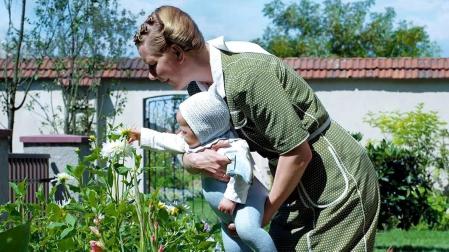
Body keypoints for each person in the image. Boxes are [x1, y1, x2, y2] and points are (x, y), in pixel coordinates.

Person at [132, 5, 380, 251]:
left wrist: (261, 217)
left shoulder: (247, 75)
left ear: (177, 52)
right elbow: (196, 144)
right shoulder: (198, 90)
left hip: (333, 176)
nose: (151, 75)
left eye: (153, 64)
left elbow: (297, 153)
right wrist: (191, 161)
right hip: (292, 184)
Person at [130, 91, 277, 252]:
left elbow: (243, 172)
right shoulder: (197, 143)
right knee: (233, 247)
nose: (180, 133)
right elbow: (167, 140)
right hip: (226, 214)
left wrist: (231, 198)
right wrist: (141, 135)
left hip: (246, 201)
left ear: (203, 129)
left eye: (184, 130)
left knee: (247, 230)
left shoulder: (232, 146)